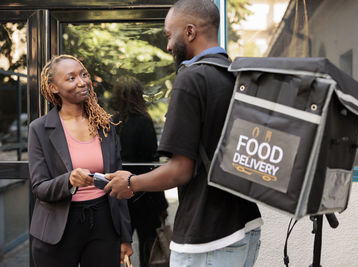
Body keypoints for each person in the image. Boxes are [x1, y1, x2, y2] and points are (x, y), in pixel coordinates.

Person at [105, 0, 263, 266]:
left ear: (190, 32)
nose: (168, 46)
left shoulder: (191, 78)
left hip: (208, 238)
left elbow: (181, 170)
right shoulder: (234, 76)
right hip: (245, 226)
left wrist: (131, 183)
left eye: (169, 35)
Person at [28, 54, 133, 267]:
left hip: (104, 222)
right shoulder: (39, 129)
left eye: (83, 75)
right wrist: (69, 180)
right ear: (54, 87)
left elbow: (118, 185)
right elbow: (39, 188)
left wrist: (125, 236)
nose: (82, 81)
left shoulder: (105, 126)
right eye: (71, 78)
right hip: (58, 228)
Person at [111, 76, 168, 267]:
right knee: (149, 250)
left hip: (120, 195)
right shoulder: (144, 121)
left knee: (118, 249)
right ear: (138, 95)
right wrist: (162, 203)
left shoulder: (112, 124)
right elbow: (152, 162)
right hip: (146, 196)